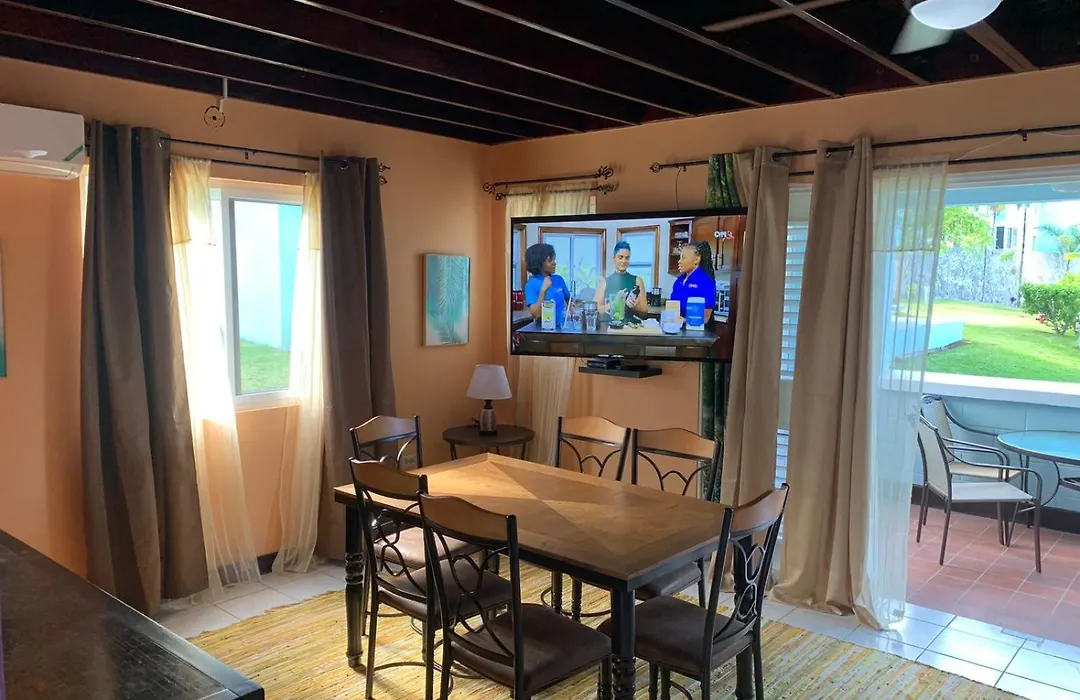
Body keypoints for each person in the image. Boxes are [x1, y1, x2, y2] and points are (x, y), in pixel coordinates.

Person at [595, 241, 648, 318]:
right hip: (610, 324)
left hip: (631, 324)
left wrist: (635, 307)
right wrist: (615, 303)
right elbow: (596, 310)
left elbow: (644, 311)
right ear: (614, 258)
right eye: (620, 257)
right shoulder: (604, 282)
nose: (624, 261)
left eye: (627, 258)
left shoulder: (638, 280)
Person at [523, 243, 572, 327]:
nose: (554, 263)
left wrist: (571, 308)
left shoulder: (558, 279)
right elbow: (536, 314)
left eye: (554, 259)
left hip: (561, 328)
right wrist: (543, 290)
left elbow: (569, 299)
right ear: (539, 263)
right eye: (550, 260)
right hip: (544, 330)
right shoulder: (531, 285)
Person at [669, 240, 717, 325]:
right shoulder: (679, 281)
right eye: (680, 258)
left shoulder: (705, 282)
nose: (679, 261)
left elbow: (705, 318)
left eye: (683, 258)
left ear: (697, 259)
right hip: (679, 328)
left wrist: (683, 320)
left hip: (699, 330)